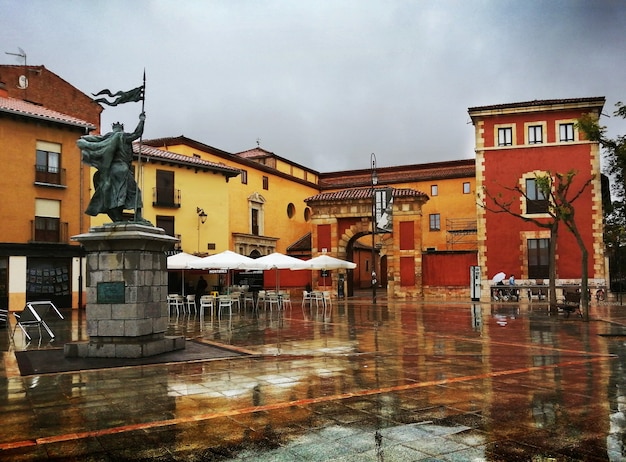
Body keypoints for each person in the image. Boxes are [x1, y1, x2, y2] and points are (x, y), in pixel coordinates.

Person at [77, 112, 149, 223]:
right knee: (135, 192)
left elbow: (91, 139)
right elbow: (137, 134)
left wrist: (83, 139)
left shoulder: (107, 137)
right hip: (122, 169)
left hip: (111, 170)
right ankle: (138, 216)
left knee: (114, 195)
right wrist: (142, 120)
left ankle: (117, 218)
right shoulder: (123, 136)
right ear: (122, 129)